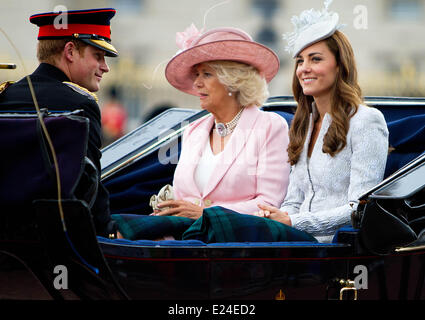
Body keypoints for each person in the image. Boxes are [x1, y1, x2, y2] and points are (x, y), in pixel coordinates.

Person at [257, 0, 389, 242]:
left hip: (336, 250)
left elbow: (359, 207)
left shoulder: (367, 121)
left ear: (340, 66)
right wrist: (278, 216)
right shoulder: (303, 124)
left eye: (315, 59)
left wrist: (293, 222)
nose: (304, 68)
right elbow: (294, 200)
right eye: (300, 60)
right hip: (297, 244)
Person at [0, 8, 121, 239]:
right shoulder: (80, 103)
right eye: (98, 56)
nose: (105, 67)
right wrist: (111, 234)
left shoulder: (6, 95)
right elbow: (90, 186)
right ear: (70, 51)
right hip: (60, 243)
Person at [152, 26, 290, 220]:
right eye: (196, 75)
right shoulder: (193, 130)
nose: (197, 83)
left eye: (206, 74)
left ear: (233, 81)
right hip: (184, 241)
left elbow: (268, 203)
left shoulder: (270, 126)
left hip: (235, 244)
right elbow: (183, 197)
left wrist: (205, 215)